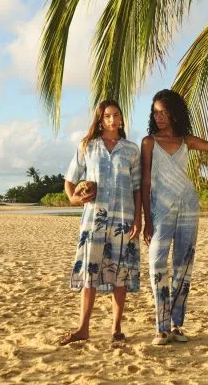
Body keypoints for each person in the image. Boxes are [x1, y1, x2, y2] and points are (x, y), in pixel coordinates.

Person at [141, 89, 208, 345]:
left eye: (164, 112)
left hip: (188, 204)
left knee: (183, 264)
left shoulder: (186, 140)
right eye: (155, 112)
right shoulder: (149, 142)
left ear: (174, 113)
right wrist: (146, 219)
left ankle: (175, 325)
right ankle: (160, 326)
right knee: (156, 263)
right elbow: (144, 182)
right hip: (160, 208)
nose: (159, 116)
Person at [59, 99, 142, 345]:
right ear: (100, 119)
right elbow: (70, 180)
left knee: (121, 274)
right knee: (90, 273)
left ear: (121, 118)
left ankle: (116, 328)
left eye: (116, 115)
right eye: (107, 116)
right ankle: (83, 327)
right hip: (94, 220)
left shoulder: (131, 149)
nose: (112, 120)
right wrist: (74, 200)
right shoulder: (88, 146)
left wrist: (139, 218)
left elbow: (137, 188)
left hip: (124, 219)